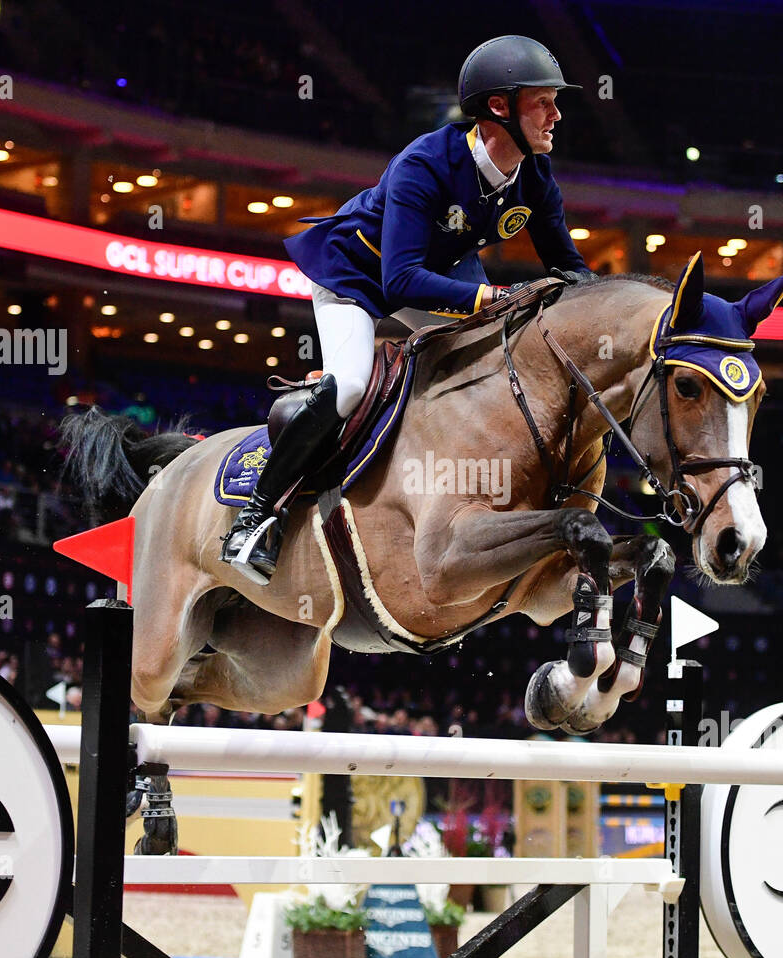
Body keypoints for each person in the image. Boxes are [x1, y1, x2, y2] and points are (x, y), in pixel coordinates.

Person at [222, 35, 591, 584]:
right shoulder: (425, 163)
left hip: (442, 274)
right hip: (358, 275)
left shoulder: (535, 177)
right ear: (499, 108)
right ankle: (256, 517)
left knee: (497, 357)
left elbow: (571, 268)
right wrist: (490, 298)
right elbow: (399, 279)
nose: (557, 115)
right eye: (544, 101)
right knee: (348, 384)